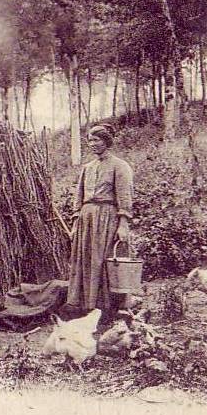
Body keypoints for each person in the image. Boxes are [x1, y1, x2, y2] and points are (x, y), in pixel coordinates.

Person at [66, 124, 134, 321]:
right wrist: (75, 223)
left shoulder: (119, 166)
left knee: (105, 261)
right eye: (90, 140)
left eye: (97, 140)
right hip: (86, 219)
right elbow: (78, 199)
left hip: (107, 218)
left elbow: (124, 196)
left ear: (107, 141)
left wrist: (123, 224)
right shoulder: (87, 168)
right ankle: (87, 306)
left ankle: (110, 308)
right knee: (86, 261)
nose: (92, 144)